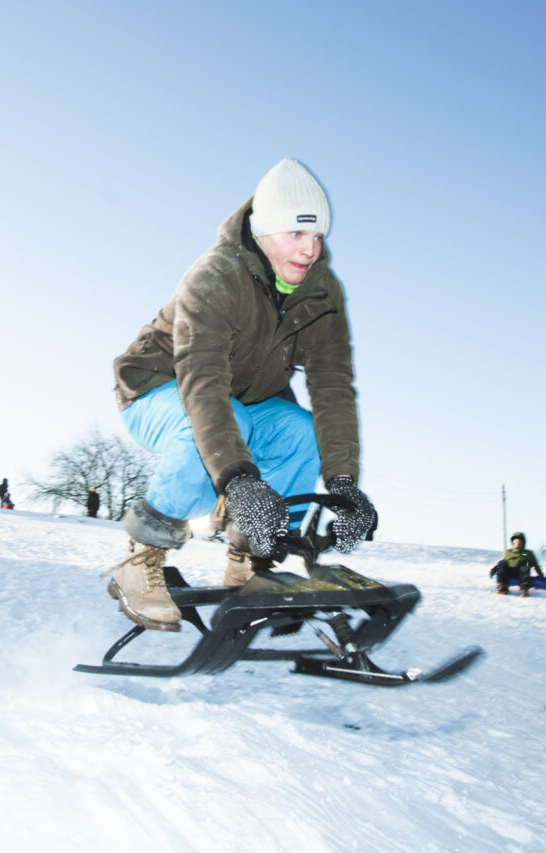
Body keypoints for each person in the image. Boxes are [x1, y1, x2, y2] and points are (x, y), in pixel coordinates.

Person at [107, 158, 376, 632]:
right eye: (297, 235)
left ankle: (249, 560)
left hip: (247, 400)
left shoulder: (322, 292)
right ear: (266, 229)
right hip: (160, 389)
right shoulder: (215, 275)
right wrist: (238, 479)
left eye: (318, 237)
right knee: (229, 419)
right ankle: (141, 556)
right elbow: (202, 380)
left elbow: (333, 386)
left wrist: (343, 481)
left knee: (301, 433)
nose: (310, 250)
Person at [491, 532, 545, 597]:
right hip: (509, 572)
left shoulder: (528, 553)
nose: (518, 544)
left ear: (523, 543)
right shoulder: (508, 552)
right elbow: (502, 563)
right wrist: (494, 569)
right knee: (502, 562)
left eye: (520, 542)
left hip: (521, 572)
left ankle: (524, 589)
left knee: (523, 562)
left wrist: (541, 576)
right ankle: (503, 587)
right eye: (516, 542)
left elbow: (536, 565)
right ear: (513, 543)